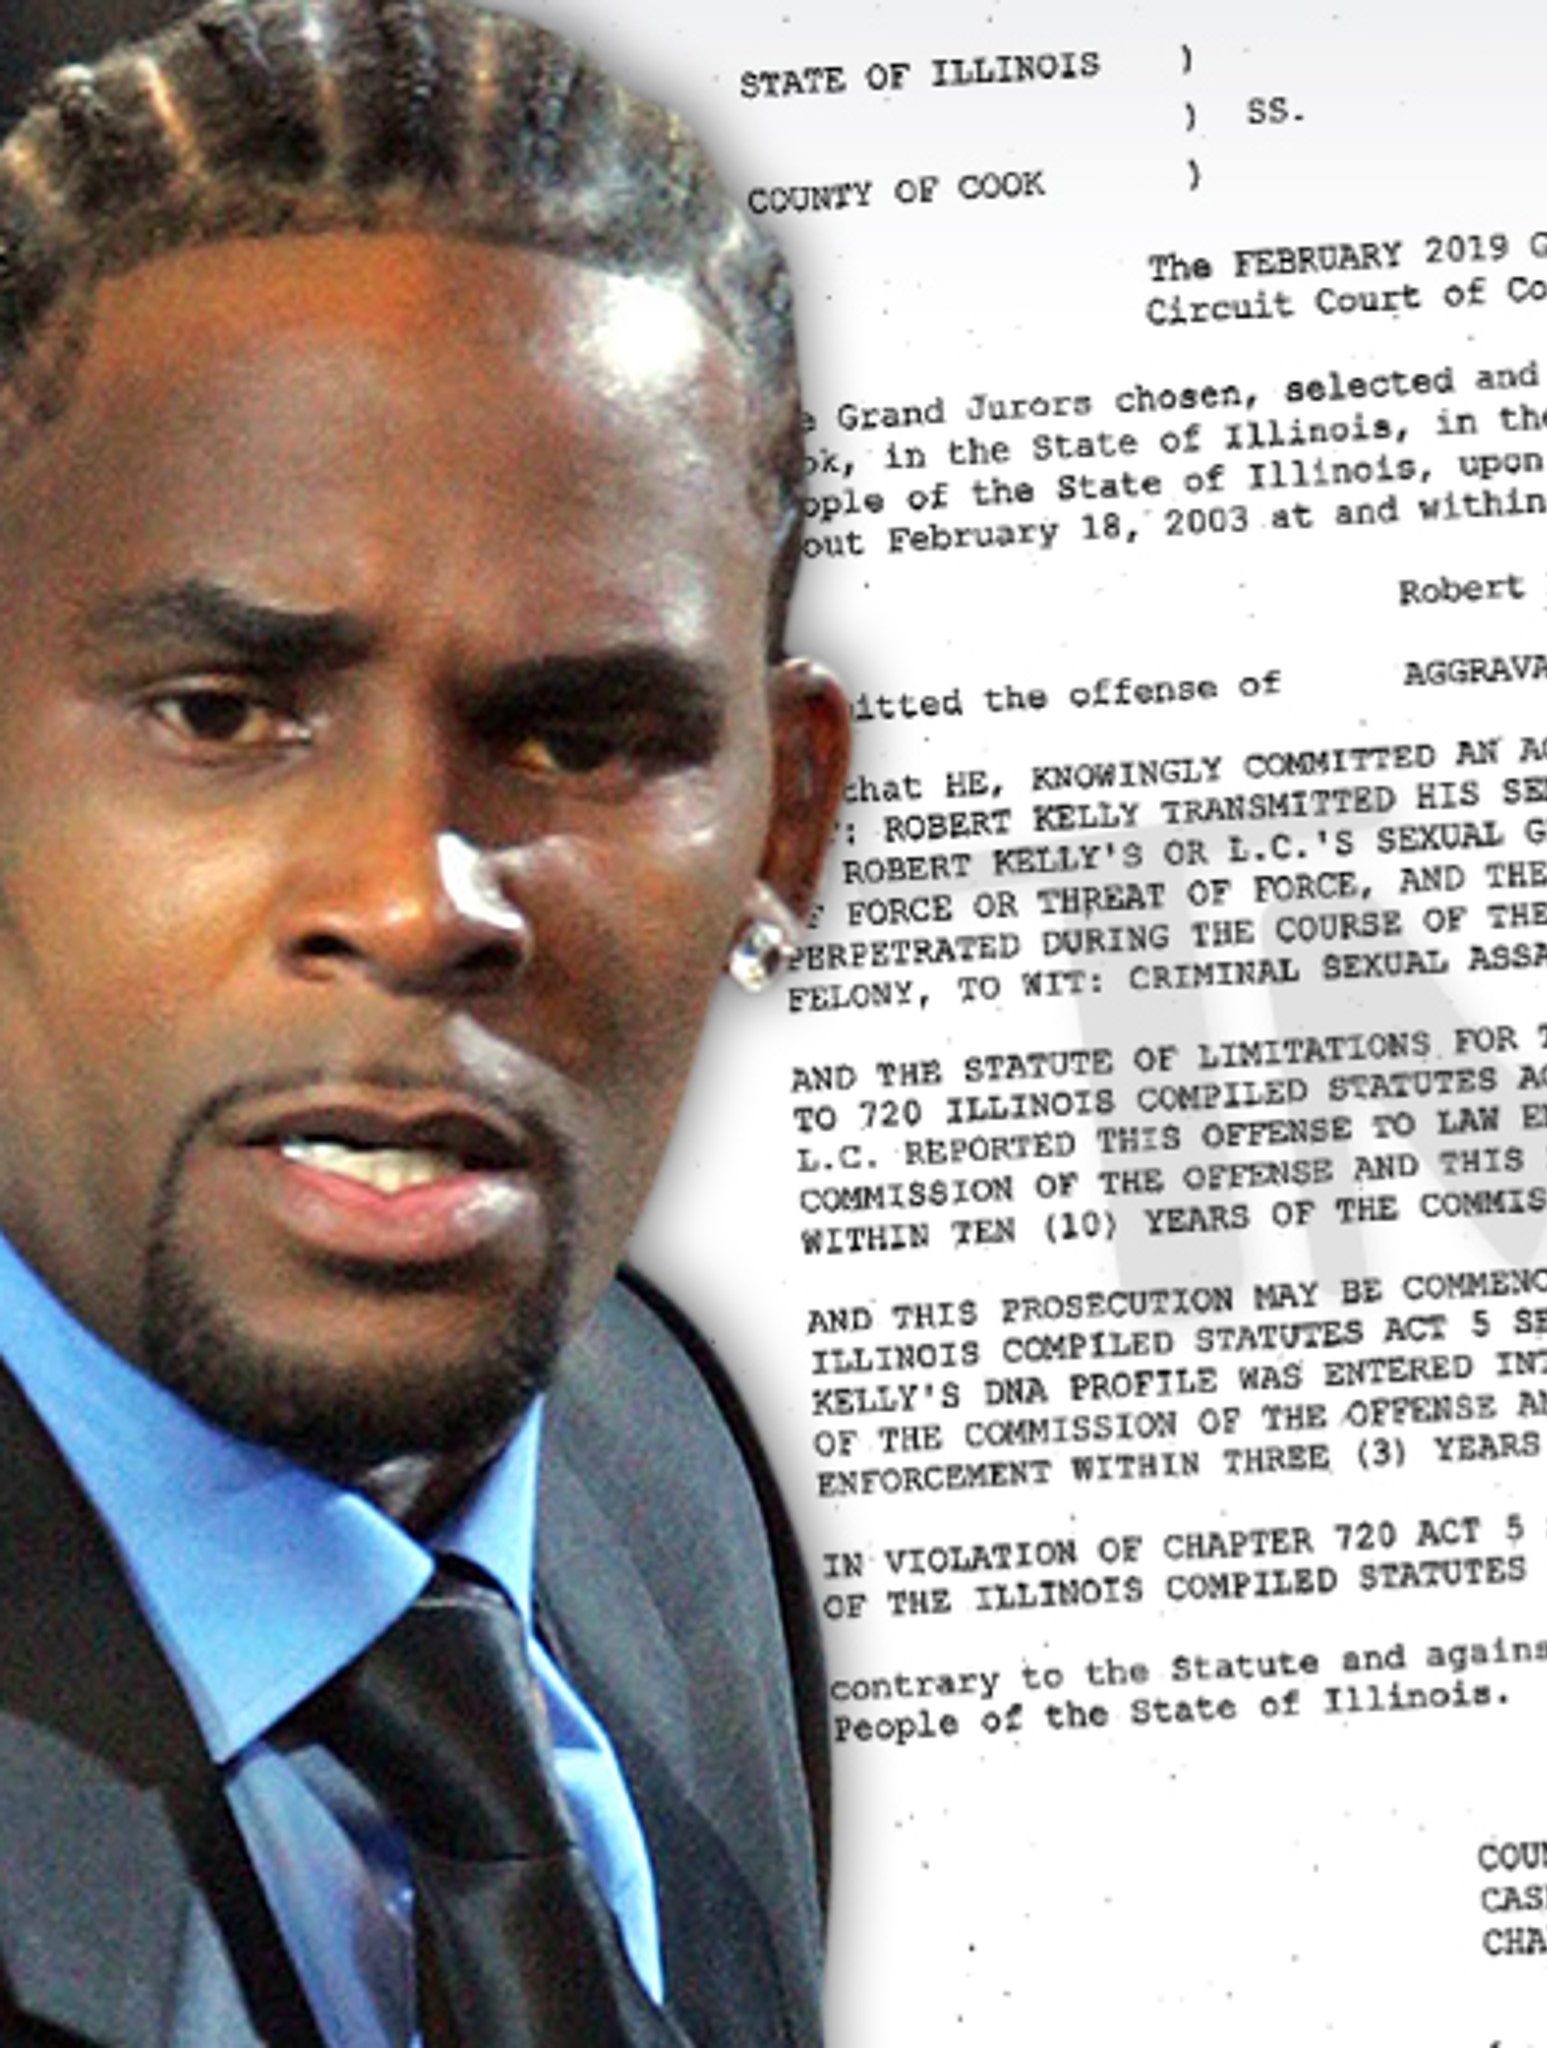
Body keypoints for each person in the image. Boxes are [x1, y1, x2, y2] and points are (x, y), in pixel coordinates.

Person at [0, 2, 850, 2043]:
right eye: (222, 713)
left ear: (785, 828)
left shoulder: (651, 1454)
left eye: (579, 737)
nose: (411, 895)